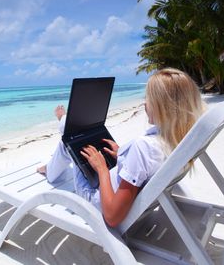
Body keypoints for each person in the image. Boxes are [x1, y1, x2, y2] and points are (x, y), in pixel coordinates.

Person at [37, 68, 204, 227]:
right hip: (117, 181)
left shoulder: (144, 147)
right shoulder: (181, 138)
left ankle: (51, 166)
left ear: (162, 107)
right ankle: (59, 135)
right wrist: (123, 156)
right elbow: (145, 165)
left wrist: (101, 168)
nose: (145, 104)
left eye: (148, 99)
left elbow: (112, 216)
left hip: (96, 197)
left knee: (68, 140)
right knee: (76, 135)